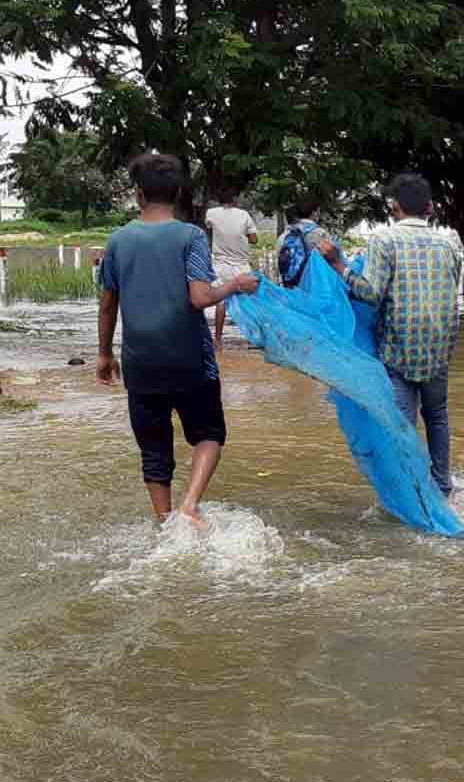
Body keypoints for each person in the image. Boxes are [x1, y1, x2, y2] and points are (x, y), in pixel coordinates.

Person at [97, 153, 260, 525]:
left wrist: (104, 355)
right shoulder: (190, 236)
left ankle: (163, 521)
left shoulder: (118, 240)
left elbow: (108, 306)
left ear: (139, 194)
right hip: (189, 358)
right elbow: (200, 298)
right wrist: (236, 284)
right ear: (177, 193)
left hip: (140, 361)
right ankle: (190, 505)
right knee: (209, 434)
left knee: (153, 449)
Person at [316, 173, 462, 497]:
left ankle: (413, 492)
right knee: (437, 416)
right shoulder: (451, 243)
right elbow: (450, 290)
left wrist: (339, 265)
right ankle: (442, 485)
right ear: (430, 208)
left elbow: (370, 293)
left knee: (401, 424)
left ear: (395, 207)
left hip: (400, 347)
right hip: (439, 346)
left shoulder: (384, 241)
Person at [204, 187, 259, 350]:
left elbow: (208, 227)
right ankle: (253, 338)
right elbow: (254, 239)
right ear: (235, 200)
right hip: (240, 264)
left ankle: (218, 340)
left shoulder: (211, 213)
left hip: (219, 264)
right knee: (251, 300)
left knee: (220, 301)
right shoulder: (244, 215)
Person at [278, 197, 333, 288]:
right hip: (314, 285)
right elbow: (330, 260)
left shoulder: (286, 234)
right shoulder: (319, 233)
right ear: (314, 213)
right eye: (318, 211)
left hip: (291, 285)